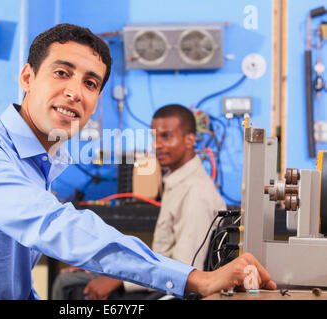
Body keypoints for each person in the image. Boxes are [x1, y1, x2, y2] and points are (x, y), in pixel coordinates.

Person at [0, 23, 276, 300]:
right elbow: (53, 225)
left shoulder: (41, 165)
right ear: (27, 77)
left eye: (90, 83)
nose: (74, 91)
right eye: (62, 73)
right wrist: (195, 278)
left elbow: (14, 287)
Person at [52, 104, 226, 300]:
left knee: (69, 286)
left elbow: (185, 271)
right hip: (158, 280)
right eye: (154, 137)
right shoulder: (178, 182)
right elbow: (164, 255)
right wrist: (106, 269)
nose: (157, 145)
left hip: (166, 291)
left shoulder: (195, 192)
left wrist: (120, 279)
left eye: (166, 136)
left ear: (190, 140)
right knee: (73, 277)